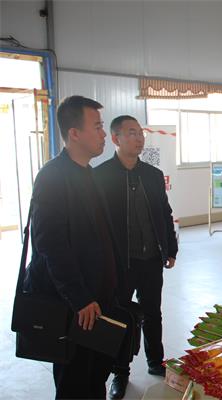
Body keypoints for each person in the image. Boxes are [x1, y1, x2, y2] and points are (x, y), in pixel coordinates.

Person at [22, 95, 123, 399]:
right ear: (74, 133)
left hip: (98, 299)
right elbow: (50, 244)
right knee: (74, 382)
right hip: (74, 304)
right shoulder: (52, 177)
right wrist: (80, 298)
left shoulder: (89, 173)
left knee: (95, 377)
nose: (103, 134)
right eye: (98, 127)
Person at [95, 116, 178, 399]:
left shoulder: (152, 174)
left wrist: (170, 248)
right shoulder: (101, 176)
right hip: (120, 263)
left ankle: (156, 361)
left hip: (151, 259)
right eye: (131, 133)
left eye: (140, 133)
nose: (139, 138)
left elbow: (164, 213)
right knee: (122, 317)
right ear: (115, 139)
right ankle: (120, 372)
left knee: (153, 312)